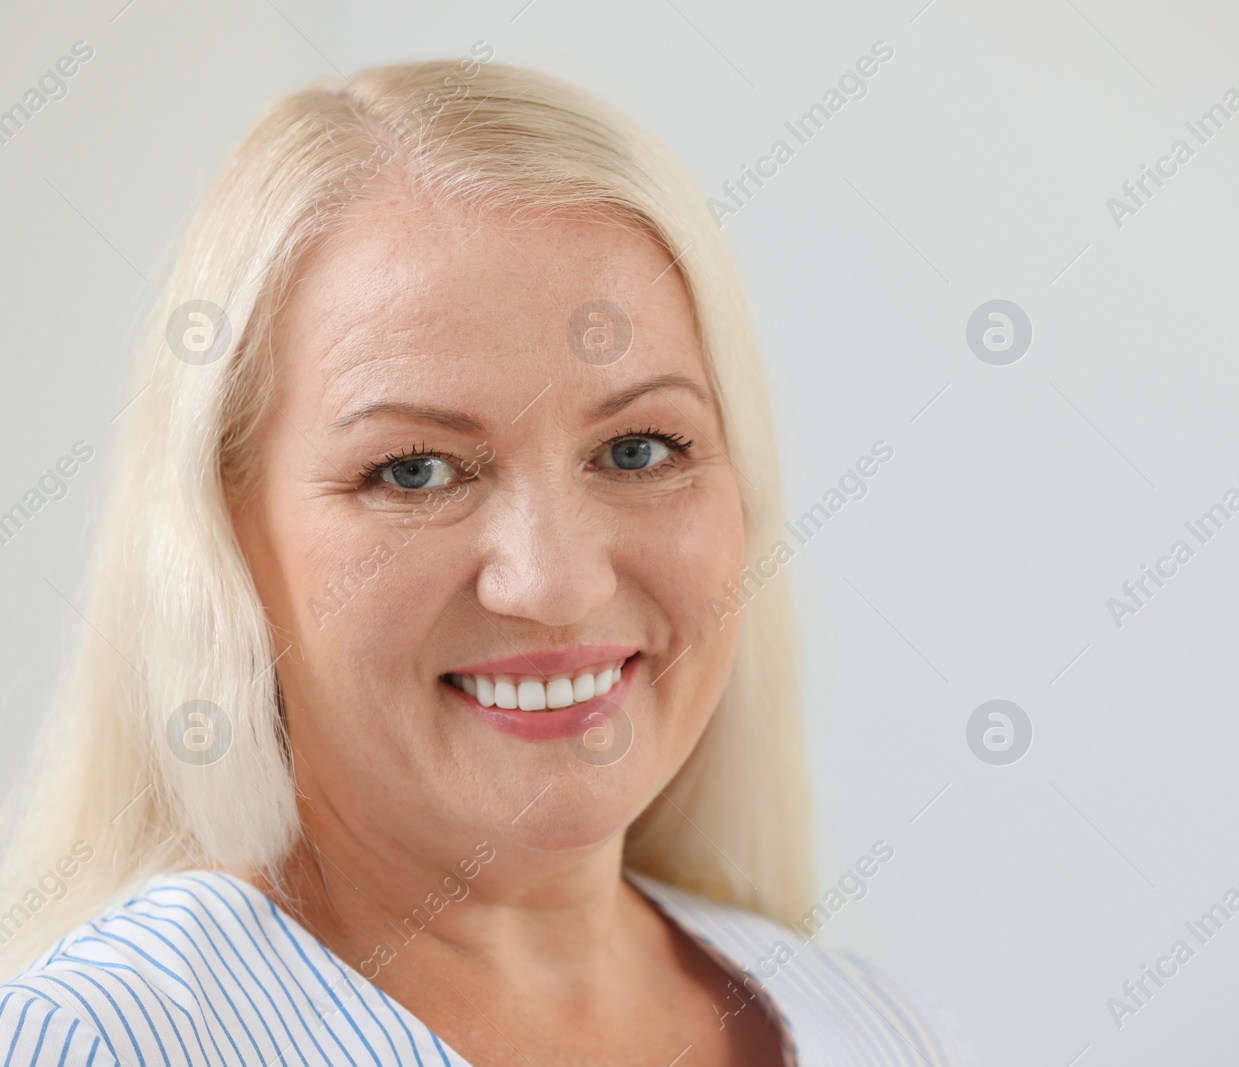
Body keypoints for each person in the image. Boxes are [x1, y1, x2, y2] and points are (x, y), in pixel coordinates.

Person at [0, 55, 978, 1065]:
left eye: (638, 449)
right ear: (225, 534)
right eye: (415, 470)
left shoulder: (888, 1031)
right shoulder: (94, 1042)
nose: (554, 581)